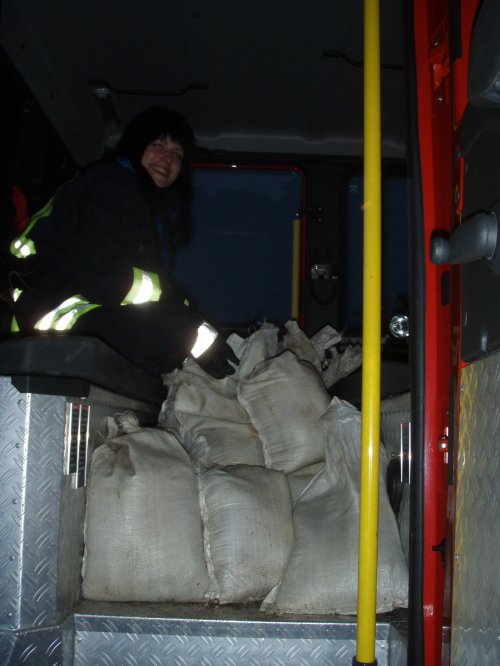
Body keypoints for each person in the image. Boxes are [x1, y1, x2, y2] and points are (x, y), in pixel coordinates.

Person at [7, 107, 238, 379]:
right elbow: (102, 279)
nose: (167, 159)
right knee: (173, 330)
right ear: (136, 147)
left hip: (87, 312)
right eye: (158, 146)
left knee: (181, 328)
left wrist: (194, 320)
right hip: (55, 312)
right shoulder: (112, 185)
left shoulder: (149, 211)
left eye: (177, 154)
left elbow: (150, 290)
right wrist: (180, 315)